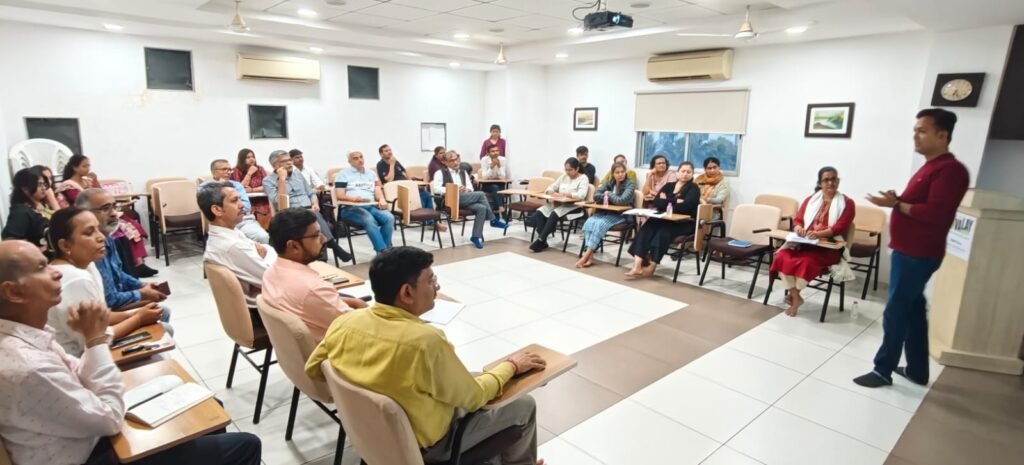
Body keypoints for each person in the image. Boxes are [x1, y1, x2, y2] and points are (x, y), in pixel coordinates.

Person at [0, 241, 262, 465]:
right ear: (13, 291)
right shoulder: (28, 365)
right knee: (245, 445)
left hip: (88, 430)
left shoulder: (30, 335)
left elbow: (78, 373)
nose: (56, 272)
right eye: (41, 268)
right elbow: (109, 419)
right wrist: (95, 339)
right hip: (91, 452)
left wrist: (97, 339)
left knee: (209, 409)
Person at [306, 247, 545, 465]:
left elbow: (314, 368)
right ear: (407, 292)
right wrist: (512, 366)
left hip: (366, 432)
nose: (437, 287)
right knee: (523, 404)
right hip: (428, 446)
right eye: (431, 280)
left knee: (473, 379)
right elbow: (474, 398)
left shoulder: (345, 322)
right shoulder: (424, 342)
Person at [854, 108, 970, 389]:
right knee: (914, 311)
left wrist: (896, 204)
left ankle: (882, 370)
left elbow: (935, 213)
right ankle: (918, 370)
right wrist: (898, 200)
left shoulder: (951, 170)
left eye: (922, 131)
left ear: (942, 135)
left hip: (918, 254)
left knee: (896, 312)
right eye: (915, 131)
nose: (916, 136)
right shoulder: (930, 166)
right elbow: (919, 204)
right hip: (909, 250)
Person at [46, 207, 169, 356]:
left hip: (92, 345)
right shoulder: (74, 279)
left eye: (98, 229)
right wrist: (138, 318)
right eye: (89, 233)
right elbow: (95, 339)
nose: (101, 237)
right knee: (164, 332)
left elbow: (101, 316)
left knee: (159, 313)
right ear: (65, 245)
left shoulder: (88, 264)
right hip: (81, 358)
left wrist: (135, 313)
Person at [261, 208, 366, 341]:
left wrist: (353, 301)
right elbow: (361, 328)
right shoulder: (313, 289)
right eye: (316, 235)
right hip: (337, 349)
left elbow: (316, 305)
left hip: (297, 349)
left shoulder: (270, 273)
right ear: (293, 246)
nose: (324, 239)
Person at [770, 167, 855, 317]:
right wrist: (799, 229)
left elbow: (839, 227)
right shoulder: (811, 200)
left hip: (829, 248)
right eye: (826, 180)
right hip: (805, 244)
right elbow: (798, 220)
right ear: (820, 183)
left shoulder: (847, 203)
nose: (830, 183)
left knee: (806, 262)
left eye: (833, 179)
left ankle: (793, 295)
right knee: (781, 256)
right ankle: (796, 297)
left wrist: (818, 234)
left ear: (838, 181)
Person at [75, 189, 171, 314]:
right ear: (85, 214)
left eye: (114, 207)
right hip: (104, 312)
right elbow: (109, 301)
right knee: (162, 310)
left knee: (159, 307)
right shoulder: (90, 248)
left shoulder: (108, 237)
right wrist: (141, 294)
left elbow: (118, 273)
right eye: (105, 209)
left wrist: (141, 285)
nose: (114, 213)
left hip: (113, 303)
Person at [264, 150, 353, 263]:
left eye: (290, 160)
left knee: (313, 215)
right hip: (289, 213)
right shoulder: (268, 181)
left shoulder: (297, 174)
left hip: (309, 209)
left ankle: (324, 254)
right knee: (313, 216)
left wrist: (315, 203)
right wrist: (282, 179)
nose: (289, 163)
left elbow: (311, 193)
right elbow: (280, 202)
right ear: (276, 165)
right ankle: (334, 247)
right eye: (285, 161)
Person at [198, 182, 277, 307]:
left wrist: (265, 253)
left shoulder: (230, 233)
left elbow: (265, 250)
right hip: (263, 310)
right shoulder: (232, 246)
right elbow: (274, 279)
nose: (242, 205)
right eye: (235, 200)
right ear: (217, 210)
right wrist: (265, 253)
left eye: (240, 199)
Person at [627, 161, 701, 277]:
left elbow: (686, 206)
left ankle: (652, 266)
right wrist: (675, 201)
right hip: (665, 219)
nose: (685, 174)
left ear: (692, 174)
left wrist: (666, 201)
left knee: (663, 232)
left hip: (685, 223)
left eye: (688, 172)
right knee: (648, 226)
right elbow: (657, 202)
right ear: (677, 173)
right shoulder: (669, 186)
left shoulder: (694, 188)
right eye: (683, 171)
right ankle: (637, 265)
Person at [432, 151, 507, 249]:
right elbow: (436, 189)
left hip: (465, 198)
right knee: (481, 194)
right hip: (449, 201)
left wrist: (467, 189)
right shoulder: (440, 173)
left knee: (481, 208)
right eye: (452, 161)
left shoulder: (463, 172)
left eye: (456, 159)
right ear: (445, 162)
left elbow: (470, 187)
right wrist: (454, 189)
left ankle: (475, 237)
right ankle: (493, 220)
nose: (456, 162)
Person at [577, 162, 636, 268]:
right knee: (589, 222)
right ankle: (590, 256)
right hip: (606, 212)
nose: (620, 174)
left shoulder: (630, 184)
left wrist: (609, 194)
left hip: (621, 215)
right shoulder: (609, 183)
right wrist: (608, 197)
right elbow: (596, 195)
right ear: (613, 174)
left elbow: (622, 201)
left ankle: (586, 256)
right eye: (617, 172)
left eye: (622, 172)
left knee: (600, 224)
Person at [335, 151, 395, 255]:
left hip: (370, 206)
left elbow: (377, 190)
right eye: (356, 158)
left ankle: (384, 253)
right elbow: (339, 195)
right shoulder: (343, 174)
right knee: (369, 219)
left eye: (361, 157)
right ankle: (383, 251)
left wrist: (381, 199)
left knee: (389, 218)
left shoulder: (371, 173)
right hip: (350, 208)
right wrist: (353, 199)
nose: (360, 160)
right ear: (349, 161)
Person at [527, 158, 590, 252]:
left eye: (570, 170)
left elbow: (581, 195)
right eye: (566, 170)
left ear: (577, 169)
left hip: (574, 206)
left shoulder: (583, 178)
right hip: (559, 203)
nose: (567, 172)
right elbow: (551, 187)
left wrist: (566, 194)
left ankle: (540, 240)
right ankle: (544, 242)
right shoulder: (564, 176)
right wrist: (551, 192)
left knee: (554, 213)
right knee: (540, 212)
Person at [202, 159, 270, 244]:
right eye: (224, 169)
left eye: (229, 169)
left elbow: (246, 206)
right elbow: (209, 208)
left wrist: (229, 208)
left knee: (263, 237)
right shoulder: (204, 188)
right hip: (221, 222)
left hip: (243, 221)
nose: (228, 172)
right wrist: (220, 186)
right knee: (229, 243)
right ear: (214, 172)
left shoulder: (237, 185)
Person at [377, 144, 442, 231]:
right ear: (381, 154)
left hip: (407, 186)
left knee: (426, 194)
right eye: (386, 151)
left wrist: (411, 182)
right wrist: (392, 165)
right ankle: (416, 217)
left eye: (390, 150)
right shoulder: (381, 165)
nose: (389, 152)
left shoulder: (396, 162)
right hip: (396, 190)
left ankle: (430, 222)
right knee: (419, 197)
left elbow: (405, 172)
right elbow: (389, 180)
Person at [2, 168, 50, 250]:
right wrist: (39, 250)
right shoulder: (21, 212)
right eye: (39, 185)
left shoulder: (41, 205)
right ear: (25, 189)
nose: (43, 188)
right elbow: (9, 243)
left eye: (44, 184)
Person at [230, 148, 271, 224]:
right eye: (248, 157)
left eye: (253, 157)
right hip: (245, 200)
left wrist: (252, 190)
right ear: (242, 159)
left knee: (264, 210)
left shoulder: (260, 169)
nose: (251, 159)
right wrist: (249, 173)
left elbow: (267, 185)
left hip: (262, 200)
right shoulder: (236, 170)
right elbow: (239, 187)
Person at [480, 144, 510, 214]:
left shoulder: (502, 159)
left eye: (497, 151)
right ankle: (501, 208)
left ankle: (498, 211)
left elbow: (503, 177)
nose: (495, 153)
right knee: (495, 187)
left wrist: (499, 166)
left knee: (498, 189)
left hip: (500, 183)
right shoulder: (484, 160)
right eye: (493, 151)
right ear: (488, 153)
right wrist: (491, 167)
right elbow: (484, 177)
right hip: (487, 185)